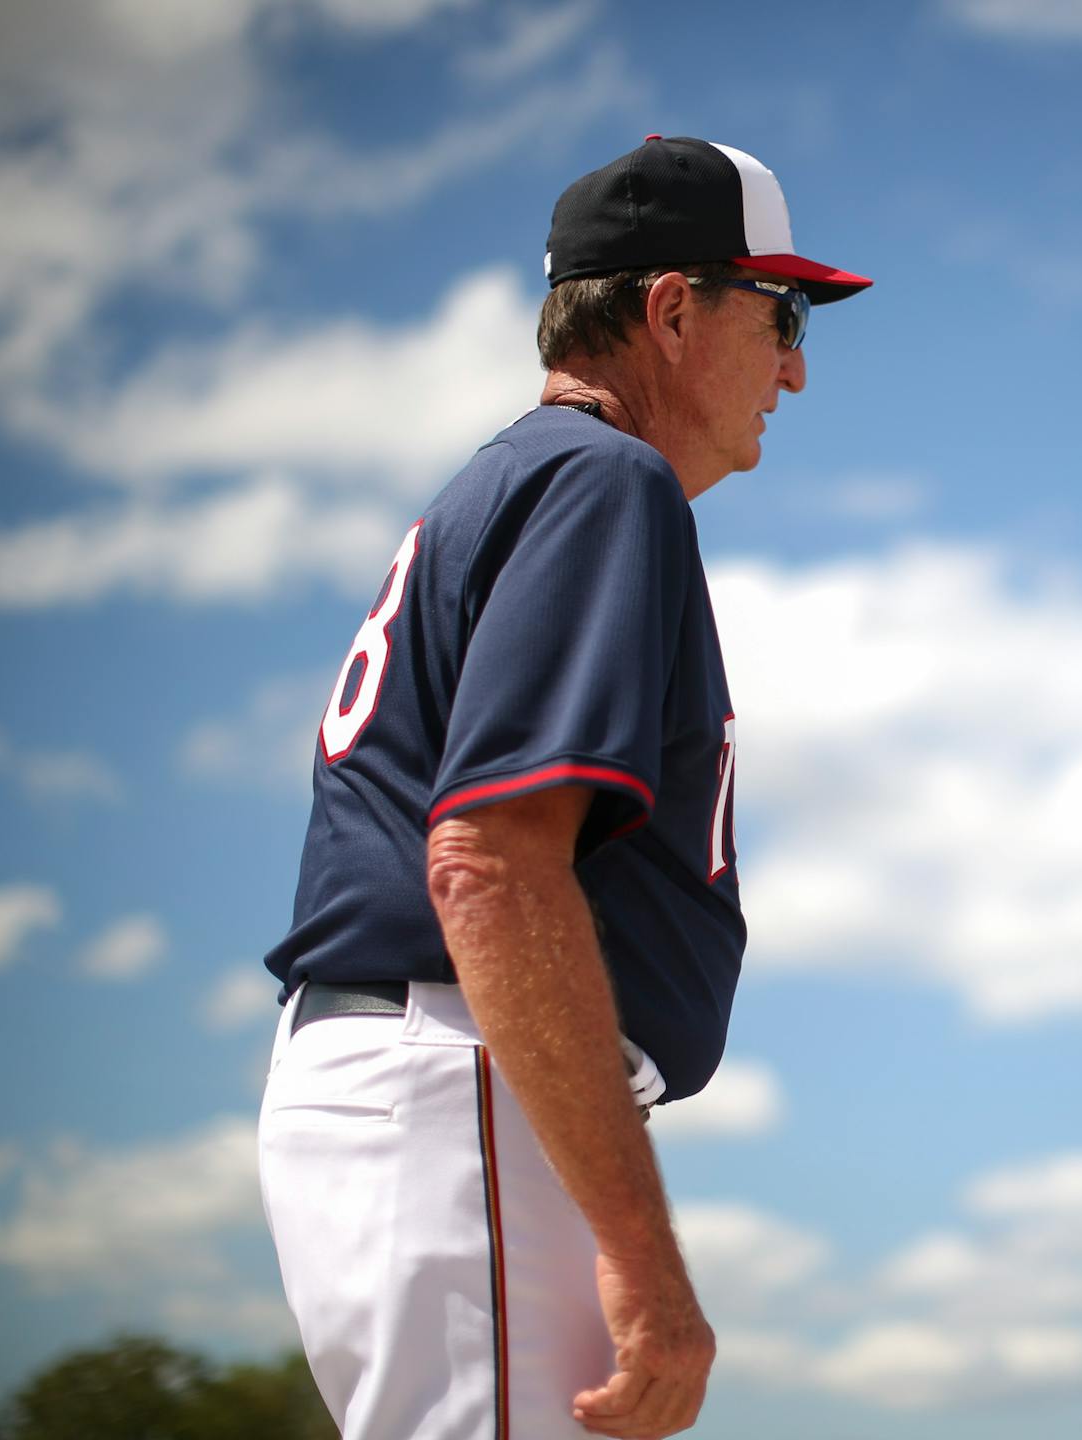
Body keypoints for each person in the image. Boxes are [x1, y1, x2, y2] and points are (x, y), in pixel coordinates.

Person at [257, 136, 870, 1440]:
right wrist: (647, 1264)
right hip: (456, 1069)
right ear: (669, 310)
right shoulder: (603, 480)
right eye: (783, 313)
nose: (798, 367)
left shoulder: (522, 480)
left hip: (429, 1075)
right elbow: (488, 860)